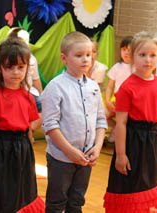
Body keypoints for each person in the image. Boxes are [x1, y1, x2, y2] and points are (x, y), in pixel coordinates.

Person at [103, 31, 157, 213]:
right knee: (133, 189)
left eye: (152, 55)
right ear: (132, 56)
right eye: (142, 55)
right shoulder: (127, 87)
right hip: (135, 143)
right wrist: (120, 154)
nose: (147, 60)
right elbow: (121, 123)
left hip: (155, 142)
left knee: (152, 187)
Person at [42, 31, 107, 212]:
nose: (86, 60)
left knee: (77, 201)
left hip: (86, 158)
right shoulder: (55, 87)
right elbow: (50, 125)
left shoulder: (93, 86)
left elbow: (101, 121)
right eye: (79, 56)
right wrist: (70, 151)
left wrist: (97, 147)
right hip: (61, 158)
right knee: (56, 202)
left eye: (88, 55)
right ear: (64, 58)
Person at [0, 39, 45, 213]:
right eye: (9, 67)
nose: (15, 72)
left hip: (23, 151)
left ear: (27, 68)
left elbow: (30, 130)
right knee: (4, 199)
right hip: (1, 150)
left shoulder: (28, 96)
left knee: (24, 196)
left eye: (20, 67)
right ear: (0, 68)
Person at [105, 36, 133, 143]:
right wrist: (107, 101)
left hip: (130, 103)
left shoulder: (136, 68)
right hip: (115, 100)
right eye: (124, 49)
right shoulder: (117, 67)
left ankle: (120, 133)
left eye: (129, 50)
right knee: (102, 116)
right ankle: (115, 128)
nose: (126, 53)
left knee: (126, 120)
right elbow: (110, 86)